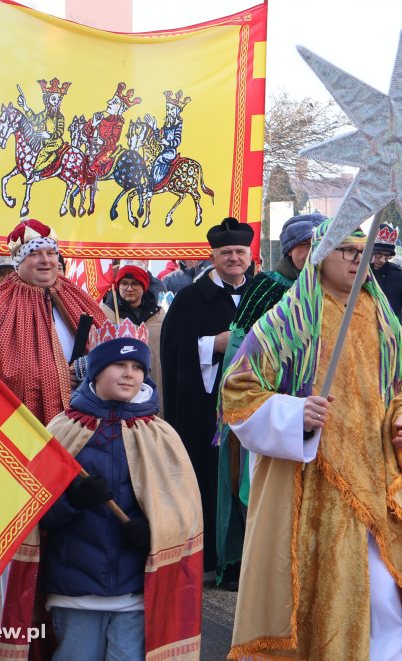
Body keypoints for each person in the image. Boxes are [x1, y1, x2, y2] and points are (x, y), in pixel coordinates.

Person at [221, 220, 402, 659]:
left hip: (377, 478)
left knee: (384, 597)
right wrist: (295, 413)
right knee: (312, 591)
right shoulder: (286, 321)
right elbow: (238, 392)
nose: (358, 260)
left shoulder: (383, 318)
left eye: (363, 252)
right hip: (310, 485)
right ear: (319, 255)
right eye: (346, 251)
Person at [2, 319, 204, 660]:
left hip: (135, 590)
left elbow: (184, 511)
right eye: (118, 364)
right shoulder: (63, 430)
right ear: (95, 371)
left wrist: (154, 531)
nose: (129, 374)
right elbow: (31, 514)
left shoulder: (161, 434)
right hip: (73, 588)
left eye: (137, 367)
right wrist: (72, 501)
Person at [214, 211, 326, 590]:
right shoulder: (267, 287)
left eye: (319, 245)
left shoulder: (335, 289)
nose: (312, 253)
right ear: (290, 250)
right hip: (273, 403)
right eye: (304, 246)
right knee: (263, 485)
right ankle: (263, 567)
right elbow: (241, 350)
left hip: (322, 408)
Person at [161, 216, 254, 574]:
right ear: (212, 256)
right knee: (209, 478)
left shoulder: (262, 293)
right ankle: (211, 555)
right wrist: (212, 345)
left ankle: (247, 556)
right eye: (226, 252)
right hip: (204, 410)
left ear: (250, 255)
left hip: (253, 406)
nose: (234, 257)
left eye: (240, 251)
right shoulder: (189, 299)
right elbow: (171, 351)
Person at [0, 219, 107, 425]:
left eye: (50, 253)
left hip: (83, 420)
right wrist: (56, 377)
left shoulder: (77, 295)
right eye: (34, 254)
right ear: (19, 261)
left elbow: (109, 347)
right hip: (25, 427)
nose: (46, 260)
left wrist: (88, 366)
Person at [102, 261, 166, 416]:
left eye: (134, 284)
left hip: (155, 382)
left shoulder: (159, 315)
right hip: (121, 385)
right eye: (124, 283)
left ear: (143, 286)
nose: (129, 288)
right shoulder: (107, 314)